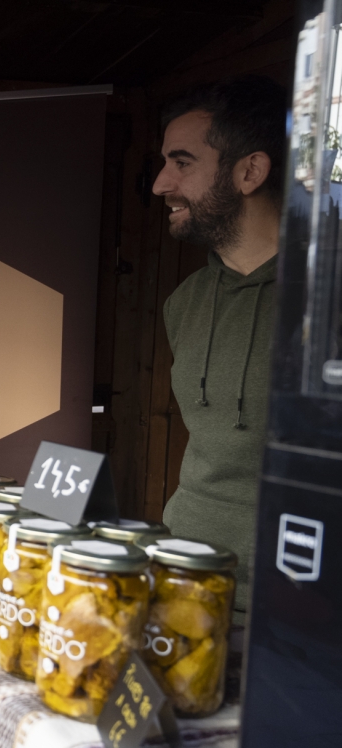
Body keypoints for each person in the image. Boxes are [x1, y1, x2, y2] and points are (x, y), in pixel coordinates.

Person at [152, 75, 285, 614]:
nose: (162, 183)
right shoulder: (184, 302)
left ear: (249, 171)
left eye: (181, 163)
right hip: (184, 588)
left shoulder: (326, 299)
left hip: (297, 615)